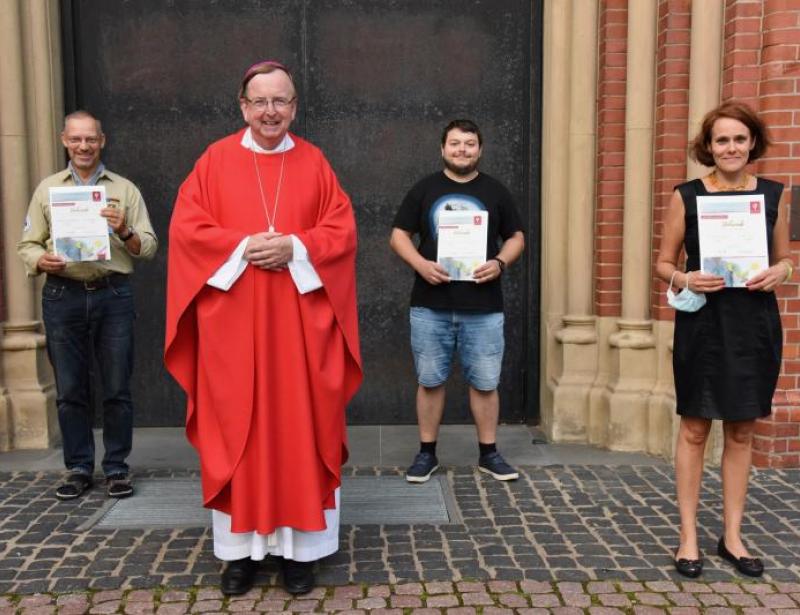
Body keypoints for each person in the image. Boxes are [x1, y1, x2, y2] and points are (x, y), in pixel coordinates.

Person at [164, 61, 362, 597]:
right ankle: (240, 554)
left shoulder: (315, 163)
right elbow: (187, 229)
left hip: (300, 334)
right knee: (239, 436)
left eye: (281, 101)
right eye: (261, 102)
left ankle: (301, 552)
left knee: (299, 429)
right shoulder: (214, 162)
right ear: (243, 106)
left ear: (294, 107)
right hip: (233, 332)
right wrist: (242, 246)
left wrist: (296, 247)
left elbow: (341, 231)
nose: (271, 111)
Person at [656, 100, 792, 578]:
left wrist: (782, 270)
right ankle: (688, 536)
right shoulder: (687, 195)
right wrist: (686, 280)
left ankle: (731, 535)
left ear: (751, 142)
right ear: (707, 147)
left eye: (739, 138)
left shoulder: (774, 194)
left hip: (755, 324)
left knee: (742, 429)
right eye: (721, 140)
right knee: (695, 427)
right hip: (705, 326)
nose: (730, 147)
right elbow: (663, 263)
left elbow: (784, 258)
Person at [17, 110, 158, 500]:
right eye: (76, 139)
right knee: (70, 388)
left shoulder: (124, 190)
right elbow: (27, 243)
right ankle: (78, 467)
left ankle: (116, 468)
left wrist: (124, 229)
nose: (83, 146)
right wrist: (39, 261)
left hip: (112, 293)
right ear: (64, 140)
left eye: (90, 139)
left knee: (116, 387)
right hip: (63, 294)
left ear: (102, 141)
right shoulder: (47, 190)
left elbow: (148, 246)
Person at [390, 119, 525, 484]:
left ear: (479, 150)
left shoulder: (495, 191)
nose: (461, 150)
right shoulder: (425, 189)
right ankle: (427, 453)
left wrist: (500, 262)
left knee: (484, 382)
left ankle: (489, 453)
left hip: (483, 306)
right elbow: (399, 234)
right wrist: (419, 263)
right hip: (430, 303)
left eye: (469, 144)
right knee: (430, 380)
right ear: (442, 149)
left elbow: (516, 237)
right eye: (454, 144)